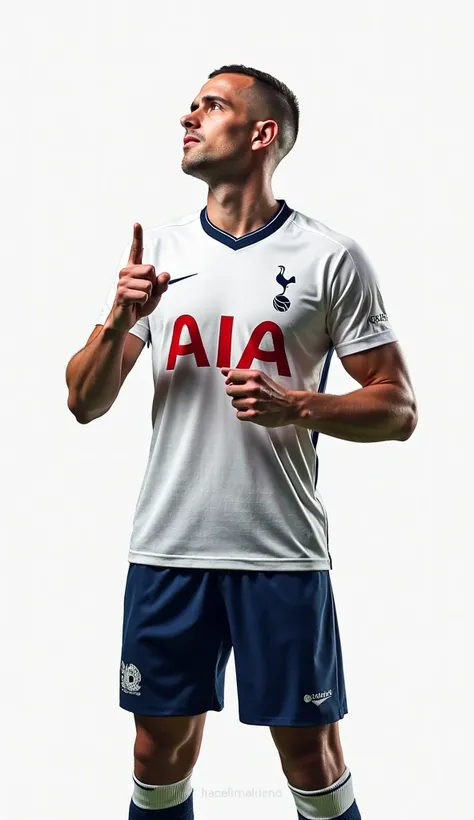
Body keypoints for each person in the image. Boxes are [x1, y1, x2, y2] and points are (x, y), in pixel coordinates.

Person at [66, 64, 417, 820]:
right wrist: (119, 320)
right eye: (190, 106)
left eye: (212, 106)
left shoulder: (331, 257)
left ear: (262, 134)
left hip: (279, 552)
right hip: (169, 548)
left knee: (311, 757)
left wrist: (301, 403)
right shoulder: (156, 252)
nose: (189, 117)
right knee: (156, 752)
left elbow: (399, 408)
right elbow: (83, 403)